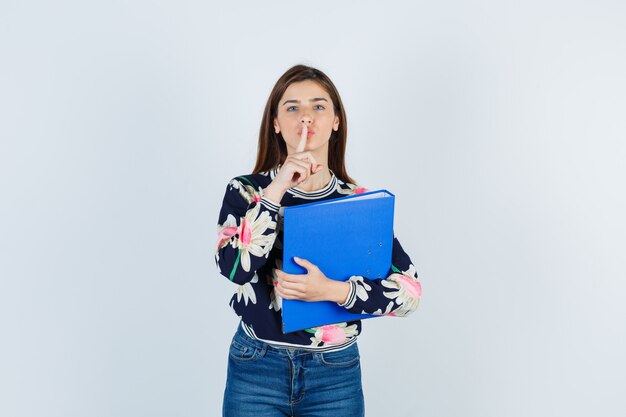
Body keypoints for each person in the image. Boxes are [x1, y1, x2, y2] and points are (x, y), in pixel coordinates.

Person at [215, 64, 422, 417]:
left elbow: (409, 293)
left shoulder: (358, 202)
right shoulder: (246, 190)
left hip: (334, 373)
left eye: (319, 106)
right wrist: (277, 187)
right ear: (276, 123)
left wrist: (331, 290)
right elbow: (235, 268)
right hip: (256, 366)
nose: (306, 118)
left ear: (336, 121)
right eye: (292, 107)